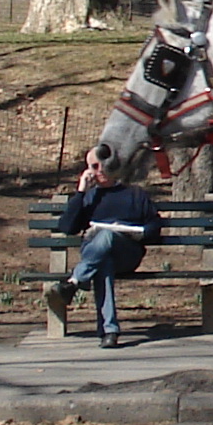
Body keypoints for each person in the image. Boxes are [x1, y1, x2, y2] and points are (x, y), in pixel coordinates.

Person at [51, 146, 162, 347]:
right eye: (94, 166)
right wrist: (80, 191)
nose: (100, 169)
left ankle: (75, 281)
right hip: (97, 254)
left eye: (104, 164)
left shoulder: (134, 194)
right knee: (104, 263)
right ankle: (109, 332)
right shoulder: (89, 197)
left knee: (108, 236)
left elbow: (155, 226)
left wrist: (137, 232)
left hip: (127, 253)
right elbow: (67, 227)